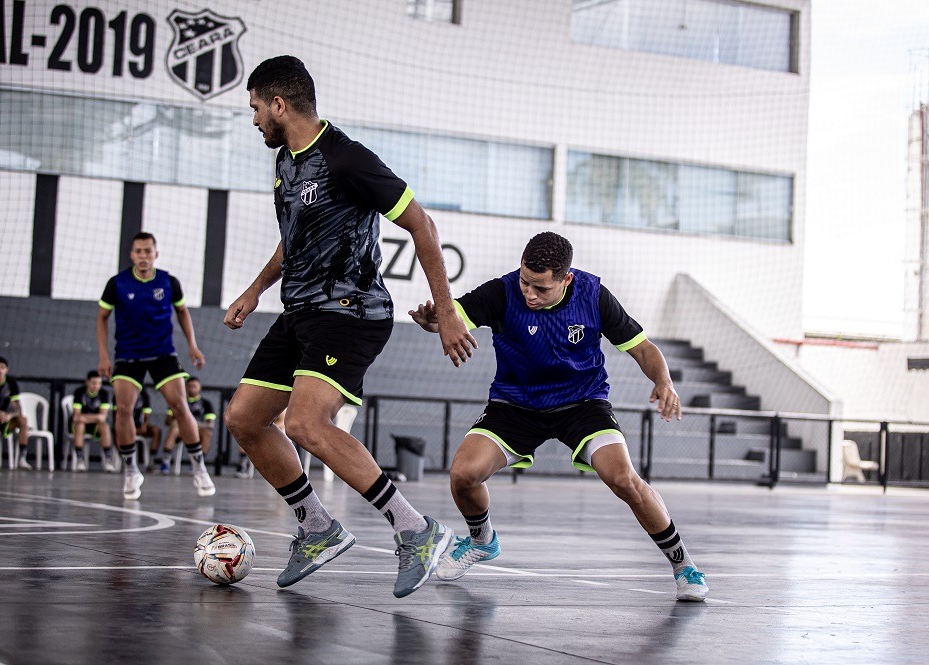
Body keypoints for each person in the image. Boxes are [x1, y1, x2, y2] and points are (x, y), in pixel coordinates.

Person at [223, 55, 477, 598]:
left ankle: (416, 531)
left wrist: (448, 308)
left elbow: (422, 224)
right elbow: (294, 238)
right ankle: (318, 526)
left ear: (278, 104)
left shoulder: (346, 159)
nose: (253, 121)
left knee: (305, 424)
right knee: (244, 418)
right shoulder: (285, 163)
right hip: (301, 312)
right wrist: (255, 289)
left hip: (351, 312)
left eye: (254, 109)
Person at [409, 232, 709, 602]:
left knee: (623, 479)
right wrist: (432, 321)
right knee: (463, 475)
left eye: (540, 287)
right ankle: (482, 540)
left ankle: (684, 565)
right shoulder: (502, 293)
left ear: (565, 279)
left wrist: (664, 381)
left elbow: (642, 348)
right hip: (515, 405)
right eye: (525, 282)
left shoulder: (594, 297)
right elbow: (451, 318)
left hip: (582, 404)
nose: (529, 294)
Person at [97, 232, 215, 500]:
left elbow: (182, 312)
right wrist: (103, 356)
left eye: (148, 251)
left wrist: (192, 345)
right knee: (124, 409)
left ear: (155, 254)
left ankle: (198, 467)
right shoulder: (117, 284)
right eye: (138, 251)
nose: (143, 256)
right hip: (128, 354)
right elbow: (102, 317)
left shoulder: (169, 282)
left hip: (163, 353)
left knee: (180, 406)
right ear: (132, 255)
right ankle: (130, 470)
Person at [158, 376, 215, 475]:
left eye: (194, 386)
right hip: (181, 430)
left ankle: (197, 463)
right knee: (174, 428)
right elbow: (167, 422)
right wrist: (174, 421)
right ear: (185, 387)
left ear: (200, 387)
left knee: (208, 433)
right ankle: (165, 462)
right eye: (189, 386)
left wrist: (195, 424)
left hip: (198, 430)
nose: (192, 388)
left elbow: (210, 424)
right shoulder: (178, 402)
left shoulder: (206, 404)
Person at [70, 371, 114, 472]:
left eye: (99, 383)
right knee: (80, 425)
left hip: (95, 426)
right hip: (81, 425)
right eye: (94, 383)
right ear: (87, 382)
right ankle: (79, 460)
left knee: (105, 427)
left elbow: (103, 417)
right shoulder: (79, 392)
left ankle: (108, 460)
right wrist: (96, 417)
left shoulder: (104, 393)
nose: (96, 386)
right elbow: (76, 416)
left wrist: (86, 417)